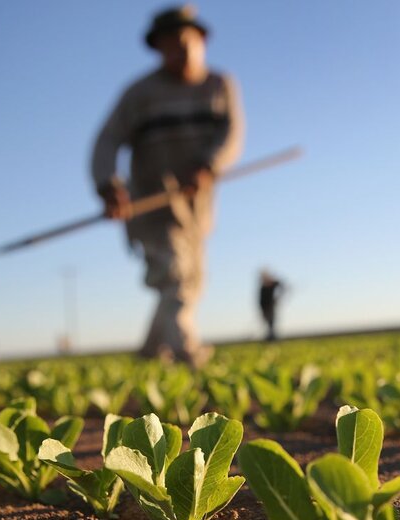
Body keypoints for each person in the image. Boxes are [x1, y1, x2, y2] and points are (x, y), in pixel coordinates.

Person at [91, 5, 244, 367]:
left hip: (197, 206)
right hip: (151, 203)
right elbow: (107, 141)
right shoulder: (139, 94)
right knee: (175, 276)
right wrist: (108, 184)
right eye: (172, 44)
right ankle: (187, 353)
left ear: (202, 41)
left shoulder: (219, 85)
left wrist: (209, 164)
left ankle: (149, 353)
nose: (182, 50)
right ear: (158, 48)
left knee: (189, 279)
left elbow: (231, 134)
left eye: (188, 42)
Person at [258, 270, 285, 341]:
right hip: (265, 309)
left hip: (271, 307)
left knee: (272, 322)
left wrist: (278, 297)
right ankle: (270, 337)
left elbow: (282, 286)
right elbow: (261, 301)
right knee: (269, 323)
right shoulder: (263, 288)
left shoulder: (273, 284)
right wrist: (263, 311)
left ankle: (272, 337)